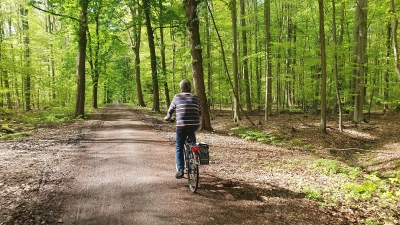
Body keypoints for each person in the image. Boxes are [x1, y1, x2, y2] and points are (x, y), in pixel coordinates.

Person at [164, 79, 201, 179]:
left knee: (179, 146)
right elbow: (199, 111)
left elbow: (170, 110)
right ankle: (195, 155)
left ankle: (180, 169)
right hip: (194, 124)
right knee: (192, 142)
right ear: (190, 88)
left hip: (182, 125)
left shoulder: (177, 97)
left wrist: (168, 118)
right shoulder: (195, 97)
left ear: (181, 88)